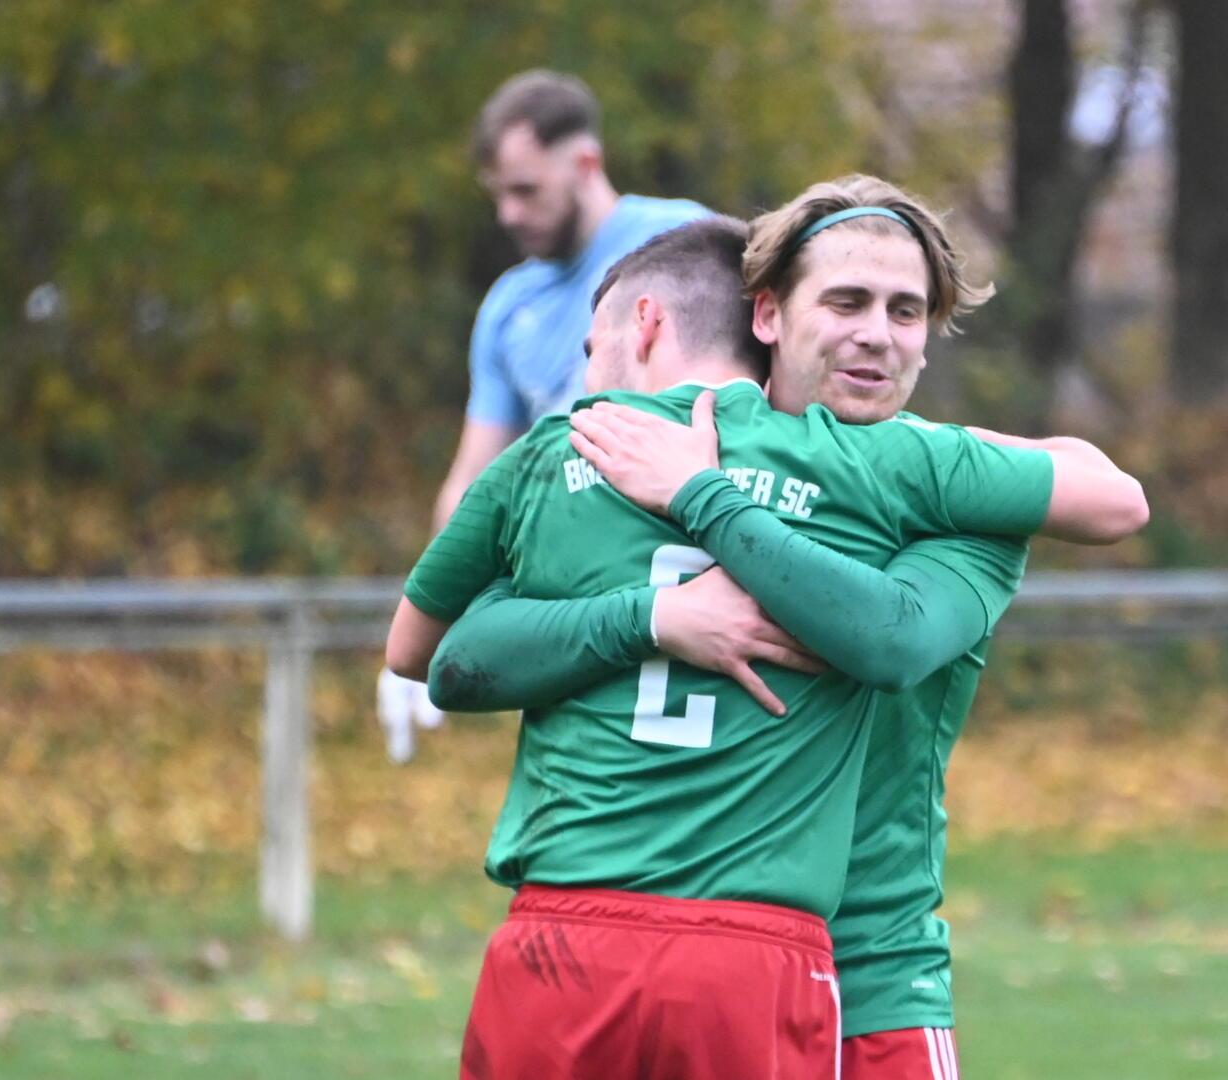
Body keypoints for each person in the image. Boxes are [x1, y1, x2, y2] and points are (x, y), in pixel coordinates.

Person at [409, 178, 1148, 1079]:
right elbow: (452, 654)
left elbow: (913, 626)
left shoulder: (949, 498)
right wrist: (658, 614)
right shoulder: (633, 457)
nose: (877, 331)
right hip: (712, 947)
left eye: (906, 311)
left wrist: (708, 497)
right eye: (846, 301)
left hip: (872, 974)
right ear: (767, 317)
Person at [378, 68, 711, 762]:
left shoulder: (685, 244)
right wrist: (431, 607)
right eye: (497, 193)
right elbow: (474, 477)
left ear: (585, 162)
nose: (507, 213)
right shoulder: (507, 306)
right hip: (575, 607)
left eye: (525, 189)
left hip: (689, 580)